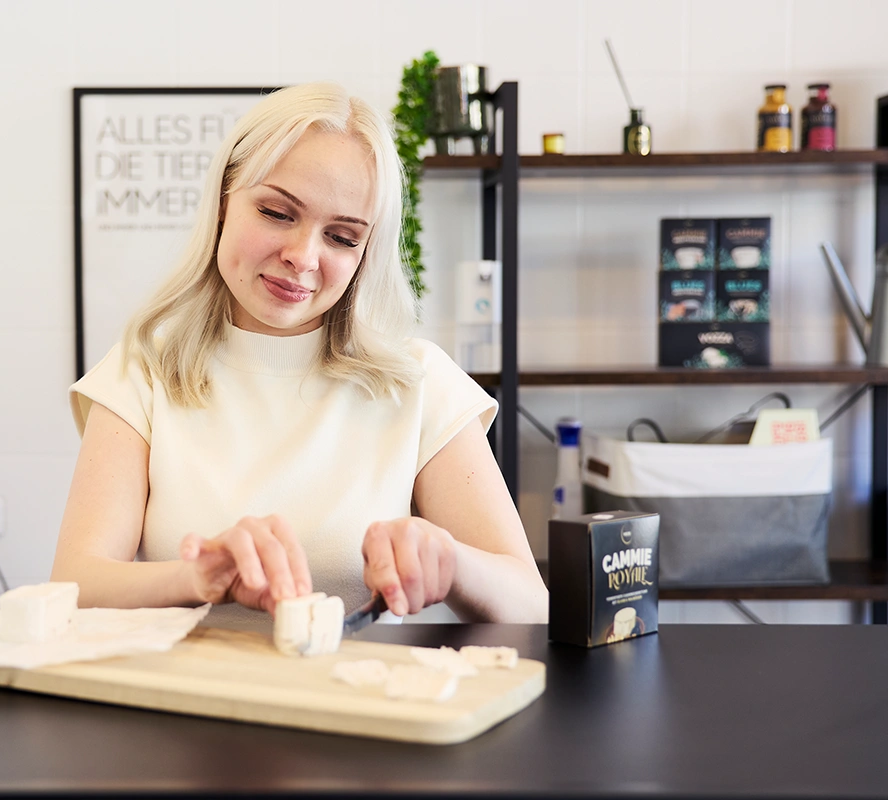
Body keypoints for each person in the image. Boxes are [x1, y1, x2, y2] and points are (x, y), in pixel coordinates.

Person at [51, 82, 547, 628]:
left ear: (366, 253)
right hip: (182, 682)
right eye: (277, 213)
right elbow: (76, 585)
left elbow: (532, 605)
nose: (304, 257)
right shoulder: (144, 369)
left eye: (342, 237)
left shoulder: (418, 383)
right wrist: (197, 579)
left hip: (360, 683)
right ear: (224, 201)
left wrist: (452, 564)